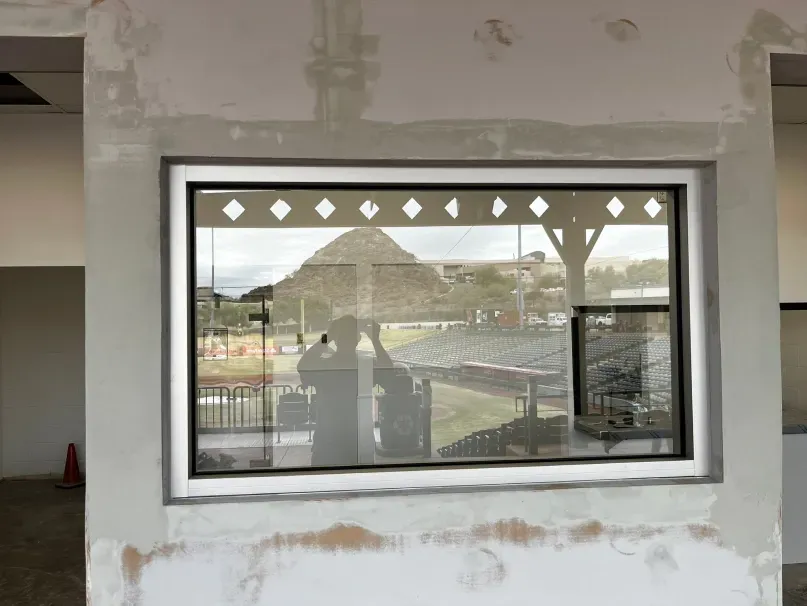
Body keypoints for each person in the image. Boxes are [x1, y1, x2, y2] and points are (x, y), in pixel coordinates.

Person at [297, 315, 393, 467]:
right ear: (358, 339)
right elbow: (388, 374)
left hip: (327, 441)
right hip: (357, 440)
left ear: (336, 339)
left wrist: (328, 336)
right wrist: (375, 340)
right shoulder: (365, 367)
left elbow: (303, 365)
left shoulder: (325, 366)